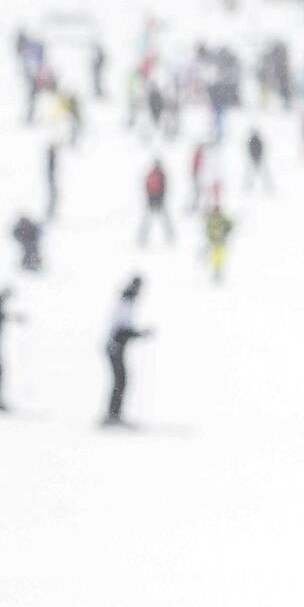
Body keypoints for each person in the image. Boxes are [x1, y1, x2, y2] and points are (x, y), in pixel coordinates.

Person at [105, 274, 149, 426]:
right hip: (114, 347)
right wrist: (138, 334)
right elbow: (121, 329)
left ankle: (114, 414)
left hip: (117, 346)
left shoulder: (128, 300)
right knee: (120, 381)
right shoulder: (126, 301)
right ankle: (113, 415)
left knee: (121, 381)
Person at [137, 159, 175, 246]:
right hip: (155, 199)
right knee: (150, 219)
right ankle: (142, 237)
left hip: (155, 199)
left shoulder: (155, 174)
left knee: (157, 219)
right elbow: (163, 187)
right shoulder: (159, 174)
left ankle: (142, 237)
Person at [202, 192, 235, 283]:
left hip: (221, 241)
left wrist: (225, 232)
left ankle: (217, 272)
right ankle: (214, 272)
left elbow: (231, 225)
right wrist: (211, 236)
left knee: (219, 257)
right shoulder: (211, 219)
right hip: (214, 241)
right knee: (213, 257)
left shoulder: (222, 218)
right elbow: (208, 230)